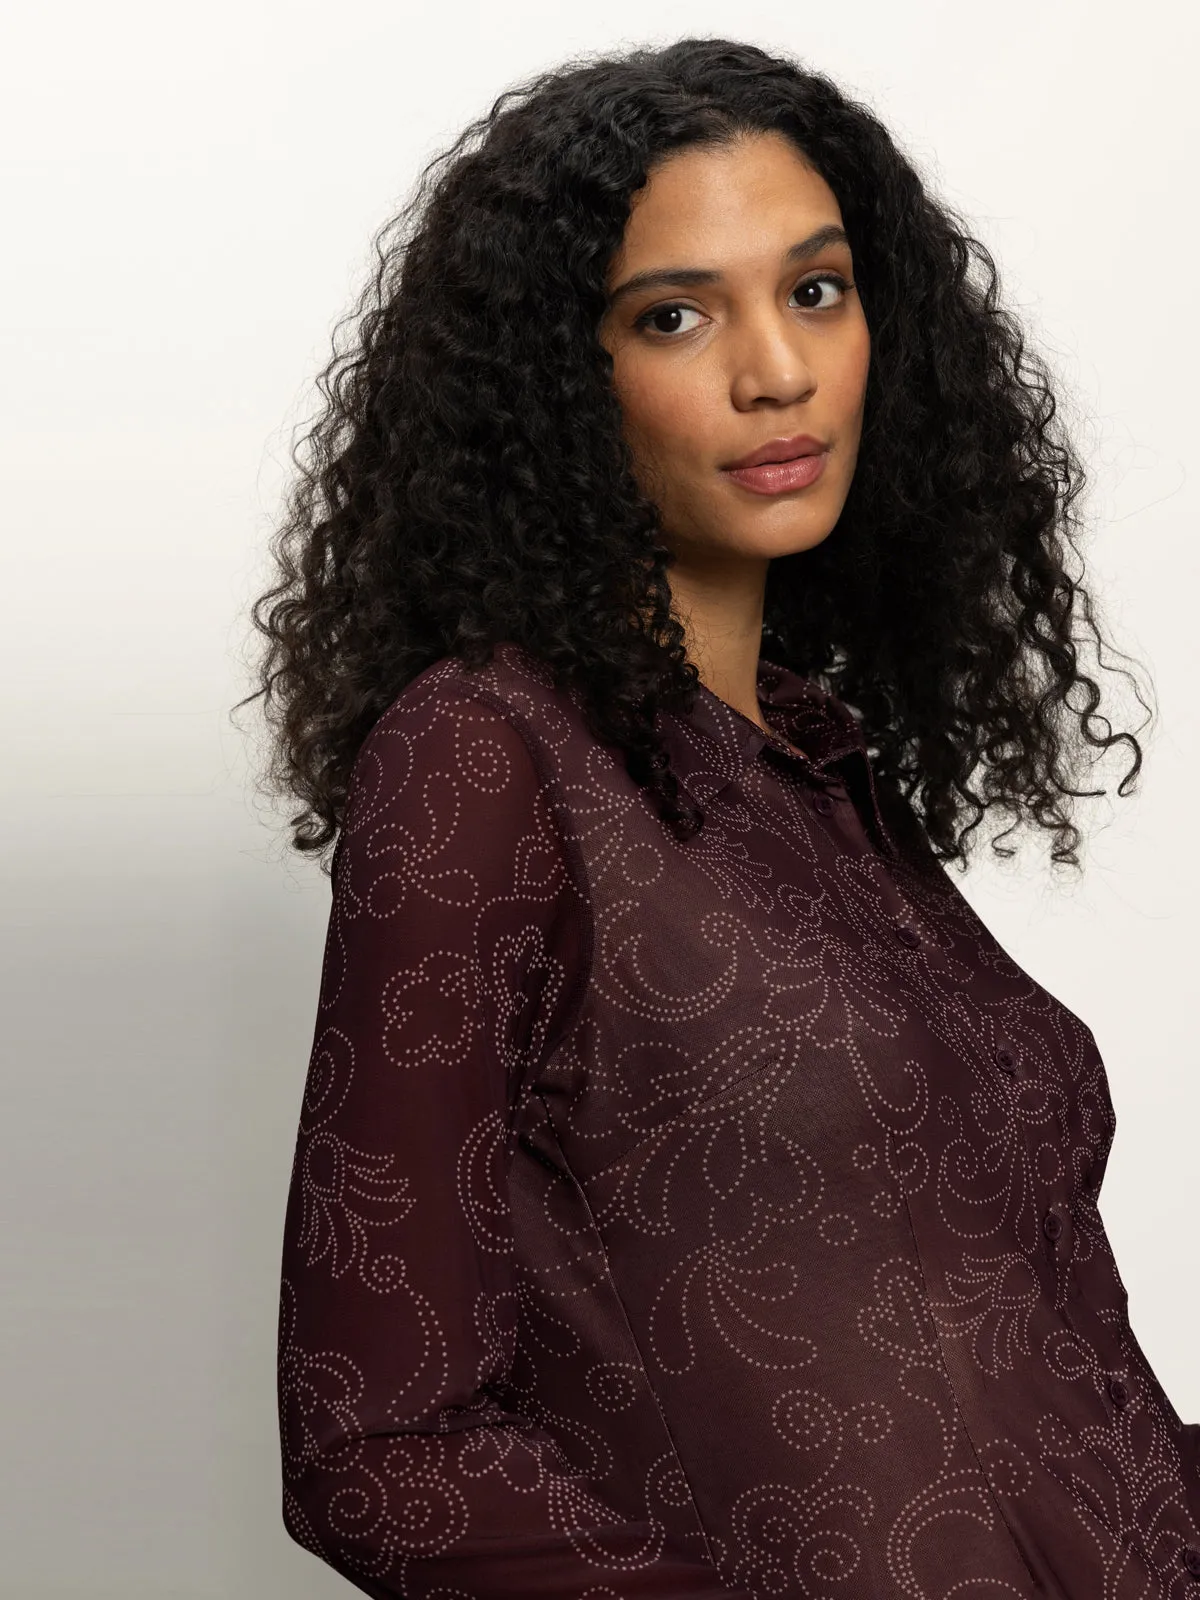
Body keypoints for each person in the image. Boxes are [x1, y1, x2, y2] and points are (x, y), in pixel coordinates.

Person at [239, 36, 1200, 1599]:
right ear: (556, 378)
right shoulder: (489, 756)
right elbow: (381, 1447)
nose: (778, 369)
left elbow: (1031, 1415)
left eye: (815, 290)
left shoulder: (824, 780)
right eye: (675, 315)